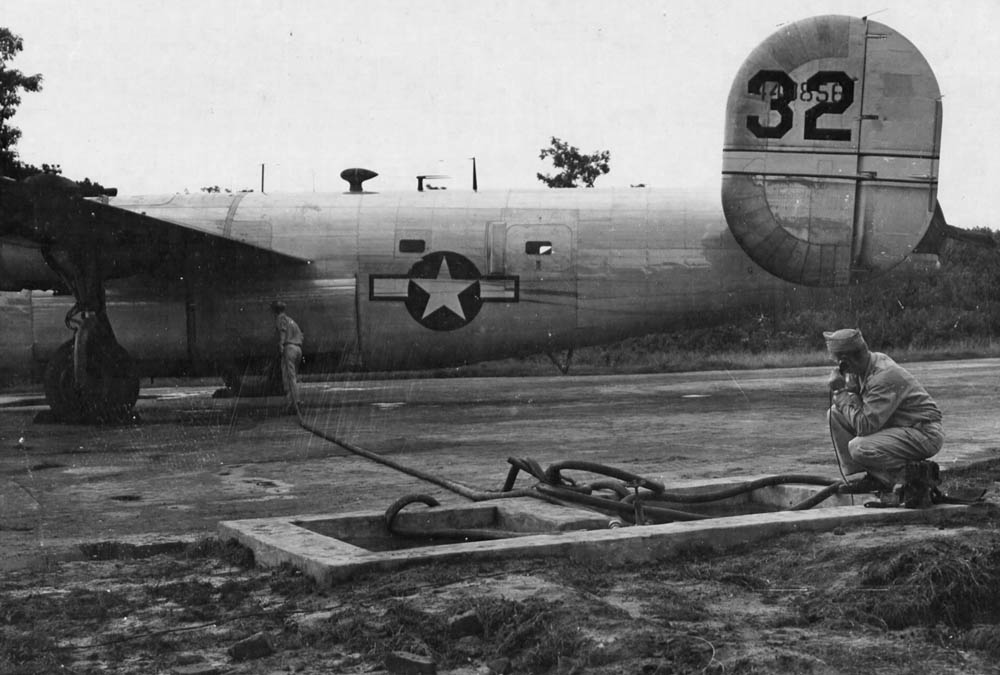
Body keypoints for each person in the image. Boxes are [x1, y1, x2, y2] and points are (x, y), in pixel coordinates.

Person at [824, 328, 943, 504]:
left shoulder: (883, 376)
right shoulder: (866, 366)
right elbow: (862, 410)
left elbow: (864, 426)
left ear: (845, 362)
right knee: (835, 414)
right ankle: (872, 476)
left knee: (859, 447)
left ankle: (903, 478)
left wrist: (841, 392)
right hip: (901, 428)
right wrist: (851, 391)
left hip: (924, 433)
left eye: (838, 362)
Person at [271, 300, 304, 414]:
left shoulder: (280, 318)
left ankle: (294, 403)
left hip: (288, 348)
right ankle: (295, 402)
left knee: (288, 378)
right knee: (293, 377)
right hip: (298, 349)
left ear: (275, 311)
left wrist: (281, 346)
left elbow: (282, 332)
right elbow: (301, 335)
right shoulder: (292, 321)